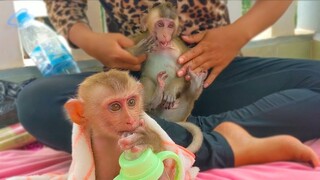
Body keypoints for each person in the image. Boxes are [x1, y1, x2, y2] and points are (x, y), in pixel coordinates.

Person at [16, 0, 320, 172]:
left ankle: (207, 135)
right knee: (37, 101)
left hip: (213, 73)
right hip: (136, 87)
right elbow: (64, 4)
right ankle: (219, 142)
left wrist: (237, 34)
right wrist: (90, 40)